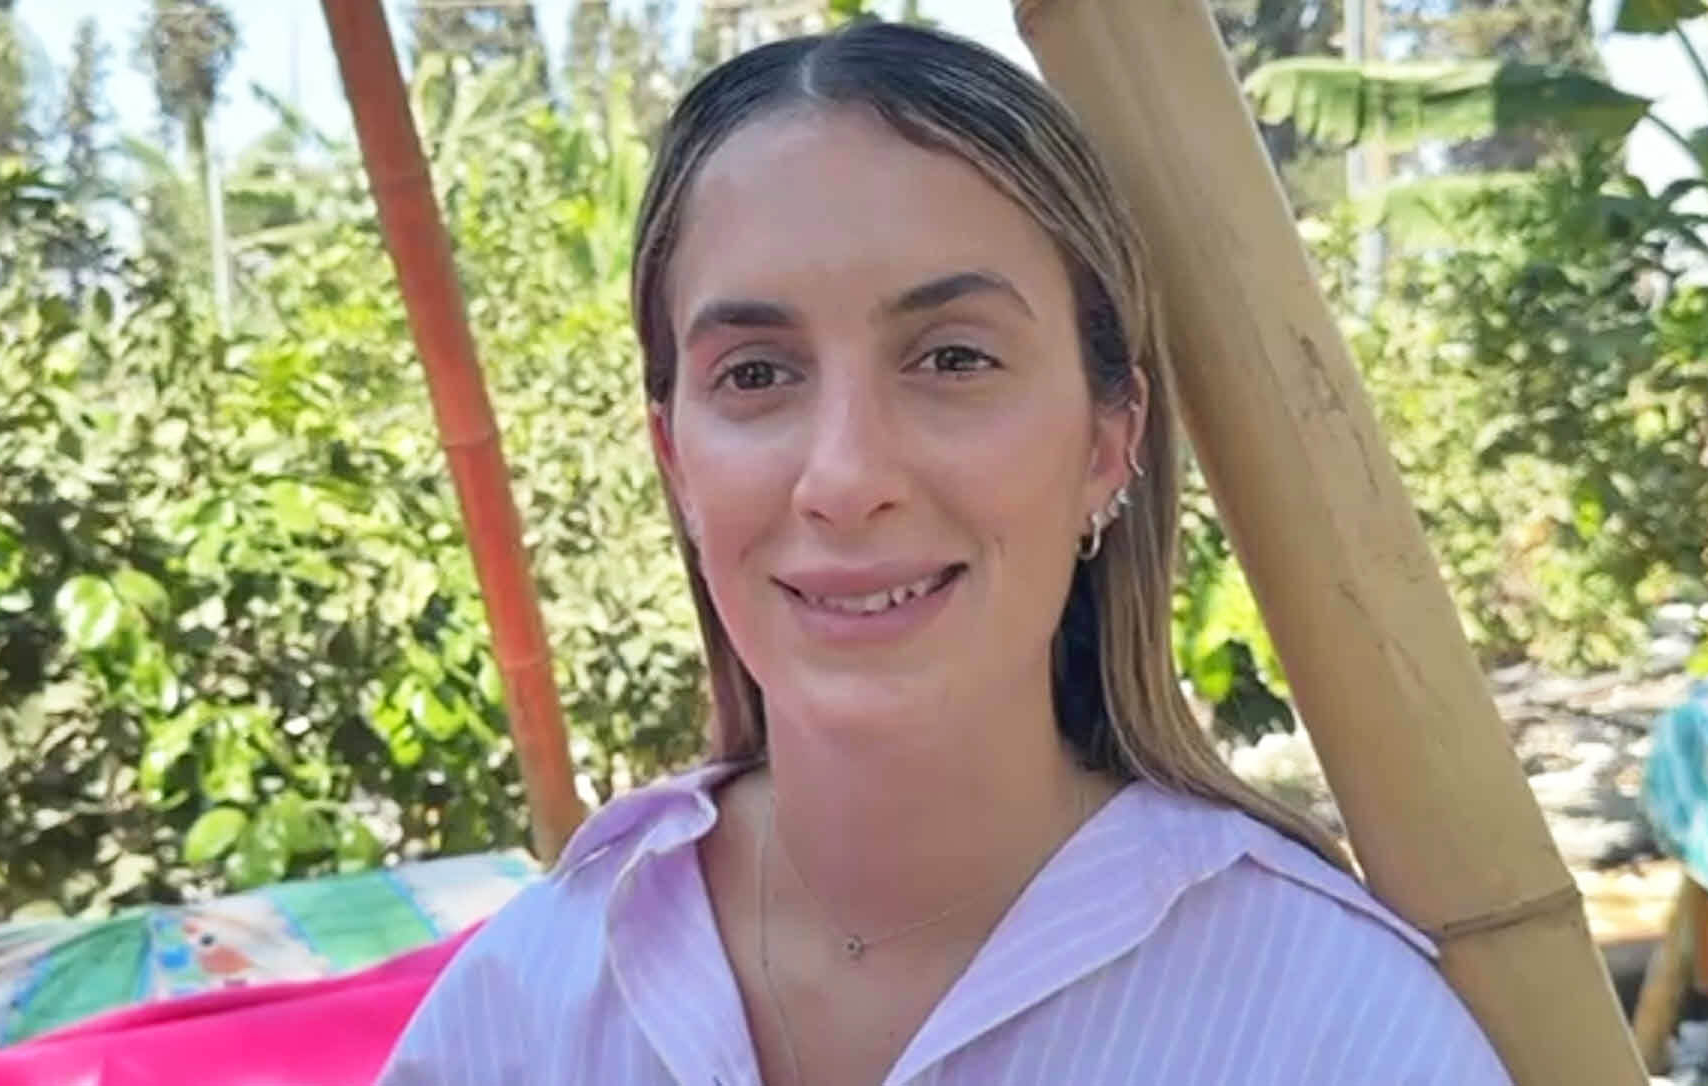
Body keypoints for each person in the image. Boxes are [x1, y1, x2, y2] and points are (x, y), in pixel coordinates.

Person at [379, 20, 1512, 1086]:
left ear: (1107, 442)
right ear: (675, 457)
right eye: (757, 373)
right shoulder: (527, 1010)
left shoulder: (1324, 1025)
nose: (844, 477)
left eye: (953, 359)